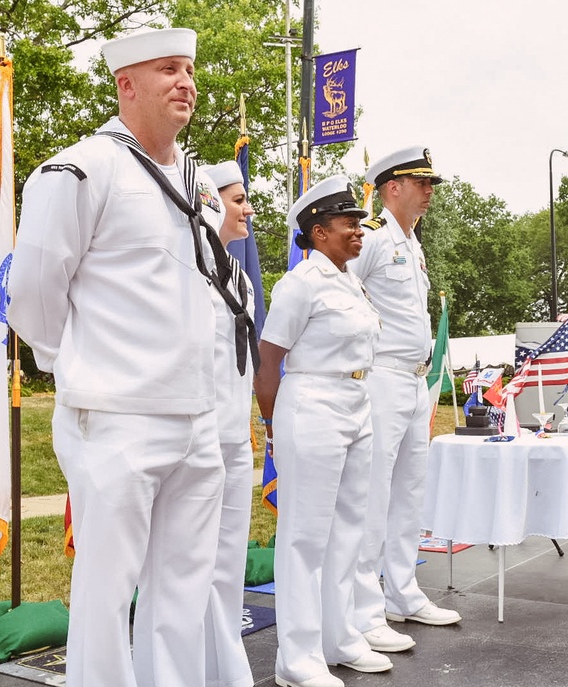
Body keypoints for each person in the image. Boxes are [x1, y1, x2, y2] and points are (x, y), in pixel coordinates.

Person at [7, 28, 241, 687]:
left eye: (190, 69)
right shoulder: (80, 168)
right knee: (106, 597)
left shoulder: (195, 182)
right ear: (126, 84)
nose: (186, 82)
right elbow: (31, 293)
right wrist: (81, 364)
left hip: (195, 414)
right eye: (168, 68)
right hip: (117, 416)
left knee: (181, 592)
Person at [254, 176, 388, 687]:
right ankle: (298, 657)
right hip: (311, 405)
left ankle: (341, 637)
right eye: (348, 222)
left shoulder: (349, 280)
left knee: (348, 528)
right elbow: (269, 364)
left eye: (358, 221)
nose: (358, 229)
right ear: (318, 231)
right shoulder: (300, 284)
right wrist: (271, 427)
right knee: (305, 537)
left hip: (356, 402)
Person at [348, 146, 461, 656]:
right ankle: (364, 610)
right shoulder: (371, 239)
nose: (430, 191)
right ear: (393, 187)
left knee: (409, 491)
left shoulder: (412, 245)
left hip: (416, 381)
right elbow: (341, 292)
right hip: (381, 377)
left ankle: (402, 592)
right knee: (372, 496)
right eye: (423, 182)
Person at [198, 160, 256, 687]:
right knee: (195, 565)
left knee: (230, 561)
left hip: (237, 437)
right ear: (210, 202)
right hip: (199, 434)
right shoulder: (185, 265)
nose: (248, 209)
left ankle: (224, 666)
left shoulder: (237, 274)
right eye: (238, 199)